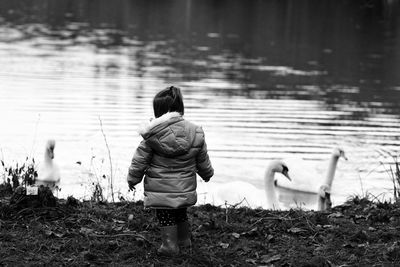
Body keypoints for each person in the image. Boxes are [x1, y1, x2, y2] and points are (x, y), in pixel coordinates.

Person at [127, 86, 214, 255]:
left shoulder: (152, 135)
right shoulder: (195, 132)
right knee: (181, 213)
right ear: (180, 108)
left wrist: (133, 179)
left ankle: (169, 246)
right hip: (184, 187)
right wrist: (207, 173)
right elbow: (202, 158)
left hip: (161, 190)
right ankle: (184, 241)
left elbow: (139, 161)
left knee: (165, 216)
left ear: (158, 112)